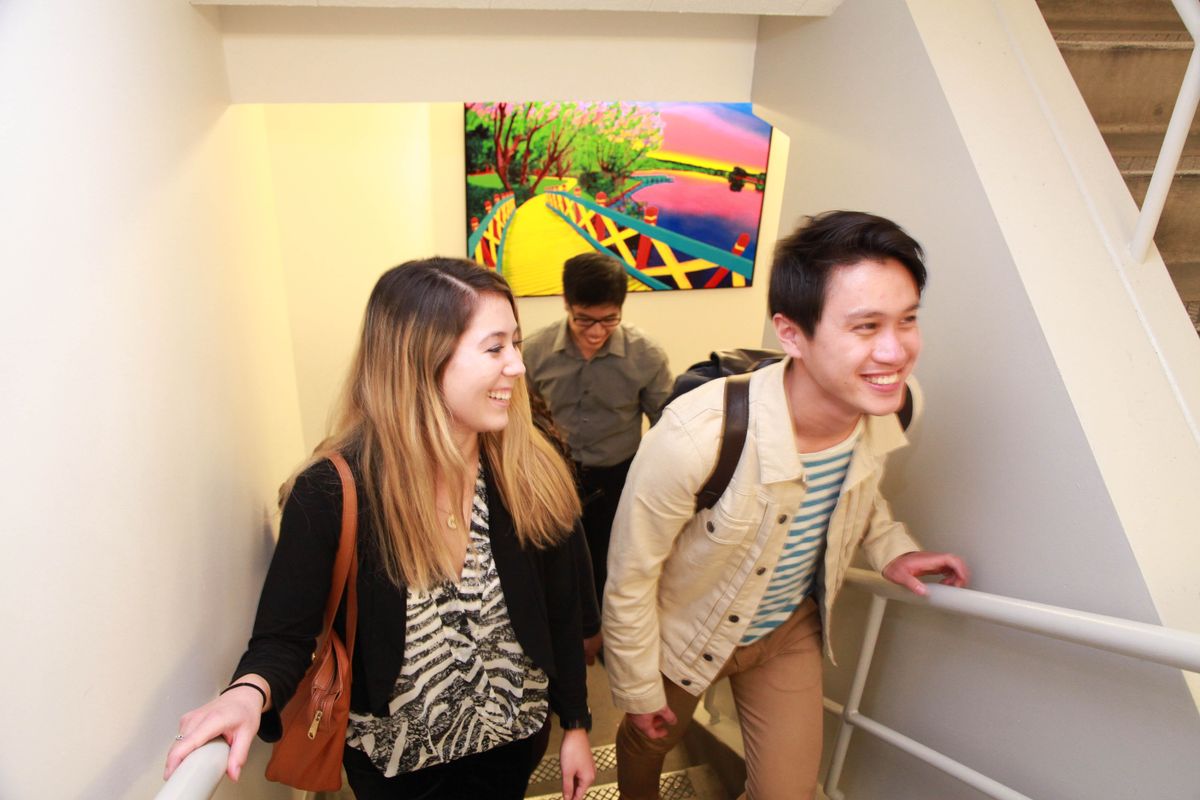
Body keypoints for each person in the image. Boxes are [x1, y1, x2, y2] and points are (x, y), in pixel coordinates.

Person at [164, 258, 596, 799]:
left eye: (516, 343)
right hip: (398, 766)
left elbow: (562, 610)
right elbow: (283, 636)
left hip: (514, 739)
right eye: (494, 348)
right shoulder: (331, 492)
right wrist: (247, 694)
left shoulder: (528, 468)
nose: (517, 366)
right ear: (421, 361)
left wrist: (575, 724)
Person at [601, 211, 970, 800]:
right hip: (686, 629)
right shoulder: (697, 435)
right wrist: (639, 689)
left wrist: (892, 549)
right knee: (647, 740)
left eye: (907, 321)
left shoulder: (893, 403)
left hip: (786, 632)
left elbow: (859, 491)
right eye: (866, 326)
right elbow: (629, 575)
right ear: (791, 334)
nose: (896, 351)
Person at [522, 251, 672, 627]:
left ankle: (606, 632)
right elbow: (519, 419)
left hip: (618, 475)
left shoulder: (646, 355)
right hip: (554, 474)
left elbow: (667, 426)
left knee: (614, 559)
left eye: (608, 321)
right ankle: (565, 629)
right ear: (566, 303)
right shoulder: (534, 352)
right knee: (555, 558)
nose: (594, 332)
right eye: (583, 319)